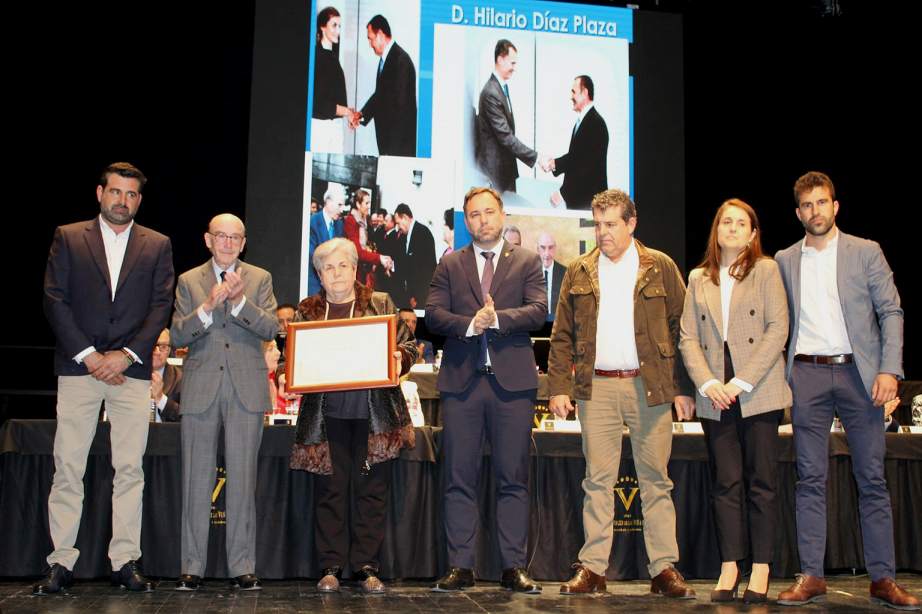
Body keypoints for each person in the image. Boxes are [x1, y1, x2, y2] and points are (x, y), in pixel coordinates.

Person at [775, 172, 917, 610]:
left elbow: (891, 311)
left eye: (822, 202)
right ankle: (812, 576)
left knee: (872, 478)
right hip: (807, 376)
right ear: (798, 212)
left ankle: (883, 578)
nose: (815, 211)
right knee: (809, 479)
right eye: (807, 205)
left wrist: (890, 370)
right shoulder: (783, 259)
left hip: (861, 376)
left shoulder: (865, 251)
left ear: (835, 206)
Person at [547, 189, 696, 598]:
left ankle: (664, 568)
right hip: (596, 388)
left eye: (611, 224)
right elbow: (561, 335)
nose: (603, 232)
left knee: (656, 481)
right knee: (597, 480)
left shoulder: (659, 266)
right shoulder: (579, 270)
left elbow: (684, 329)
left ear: (631, 223)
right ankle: (593, 568)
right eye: (597, 224)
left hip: (650, 388)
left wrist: (682, 389)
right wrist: (559, 387)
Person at [35, 162, 174, 595]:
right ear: (100, 193)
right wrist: (92, 356)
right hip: (79, 368)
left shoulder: (158, 244)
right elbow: (54, 300)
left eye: (131, 195)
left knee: (130, 468)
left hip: (131, 371)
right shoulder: (70, 236)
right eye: (116, 192)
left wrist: (127, 355)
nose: (123, 201)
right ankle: (60, 562)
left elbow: (160, 306)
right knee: (68, 467)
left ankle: (125, 561)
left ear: (139, 200)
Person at [426, 187, 546, 593]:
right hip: (462, 384)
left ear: (502, 214)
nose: (482, 220)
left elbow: (538, 310)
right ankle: (461, 566)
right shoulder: (450, 264)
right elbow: (435, 314)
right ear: (466, 220)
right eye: (474, 214)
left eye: (489, 212)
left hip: (512, 386)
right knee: (460, 476)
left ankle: (513, 566)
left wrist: (496, 320)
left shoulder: (527, 260)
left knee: (513, 477)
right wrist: (468, 324)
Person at [678, 199, 791, 603]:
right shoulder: (697, 278)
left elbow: (778, 329)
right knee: (725, 483)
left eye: (740, 223)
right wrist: (708, 383)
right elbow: (688, 337)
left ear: (753, 233)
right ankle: (730, 565)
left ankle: (761, 567)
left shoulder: (767, 270)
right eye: (725, 221)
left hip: (758, 390)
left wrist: (740, 381)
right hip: (715, 395)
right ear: (716, 229)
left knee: (762, 482)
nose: (731, 228)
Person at [289, 238, 417, 593]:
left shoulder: (380, 303)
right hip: (325, 418)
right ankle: (330, 566)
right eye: (328, 267)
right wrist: (289, 370)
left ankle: (365, 566)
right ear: (319, 274)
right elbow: (293, 356)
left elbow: (408, 346)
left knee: (371, 490)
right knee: (330, 491)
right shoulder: (309, 310)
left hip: (374, 417)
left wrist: (397, 360)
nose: (337, 273)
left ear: (355, 269)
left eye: (343, 265)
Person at [171, 213, 279, 592]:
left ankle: (242, 566)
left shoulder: (259, 278)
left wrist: (238, 303)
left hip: (245, 388)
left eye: (236, 237)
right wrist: (207, 306)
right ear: (207, 239)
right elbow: (176, 333)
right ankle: (191, 566)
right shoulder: (189, 280)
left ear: (244, 242)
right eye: (222, 236)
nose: (229, 243)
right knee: (196, 480)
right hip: (201, 388)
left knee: (243, 480)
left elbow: (271, 327)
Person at [475, 39, 549, 193]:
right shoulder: (491, 92)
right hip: (495, 174)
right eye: (512, 63)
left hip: (504, 172)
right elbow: (506, 137)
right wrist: (536, 158)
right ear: (500, 59)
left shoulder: (500, 88)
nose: (514, 68)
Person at [352, 15, 417, 156]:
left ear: (380, 34)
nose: (370, 44)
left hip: (398, 150)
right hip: (390, 147)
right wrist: (361, 115)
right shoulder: (387, 60)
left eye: (370, 38)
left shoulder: (401, 61)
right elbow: (381, 94)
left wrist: (391, 154)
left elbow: (402, 110)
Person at [548, 75, 608, 210]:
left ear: (585, 93)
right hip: (582, 203)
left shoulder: (595, 124)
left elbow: (585, 166)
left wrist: (562, 193)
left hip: (589, 205)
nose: (571, 96)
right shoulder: (585, 121)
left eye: (574, 92)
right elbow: (576, 157)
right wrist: (555, 164)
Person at [311, 6, 355, 153]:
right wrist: (347, 112)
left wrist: (348, 113)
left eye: (340, 26)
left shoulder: (332, 57)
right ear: (323, 27)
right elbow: (319, 102)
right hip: (321, 128)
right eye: (334, 25)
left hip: (334, 126)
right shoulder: (318, 57)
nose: (338, 30)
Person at [344, 189, 392, 289]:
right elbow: (357, 252)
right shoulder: (351, 221)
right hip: (352, 272)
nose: (369, 206)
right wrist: (379, 258)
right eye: (366, 203)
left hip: (361, 271)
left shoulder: (363, 221)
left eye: (369, 203)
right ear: (358, 204)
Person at [393, 203, 436, 310]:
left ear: (405, 218)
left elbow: (427, 270)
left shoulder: (423, 233)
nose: (398, 227)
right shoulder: (404, 237)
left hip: (420, 298)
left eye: (398, 223)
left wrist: (417, 297)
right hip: (408, 297)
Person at [308, 186, 346, 296]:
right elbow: (313, 257)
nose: (342, 209)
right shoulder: (312, 222)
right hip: (315, 283)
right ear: (328, 202)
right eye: (339, 205)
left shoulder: (339, 224)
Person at [151, 328, 183, 423]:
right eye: (152, 345)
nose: (157, 352)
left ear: (169, 350)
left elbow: (187, 418)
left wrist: (161, 399)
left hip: (164, 435)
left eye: (163, 347)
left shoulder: (181, 379)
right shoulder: (129, 375)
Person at [536, 232, 566, 321]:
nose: (547, 253)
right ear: (538, 249)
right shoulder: (530, 273)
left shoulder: (566, 273)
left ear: (555, 249)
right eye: (543, 248)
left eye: (550, 247)